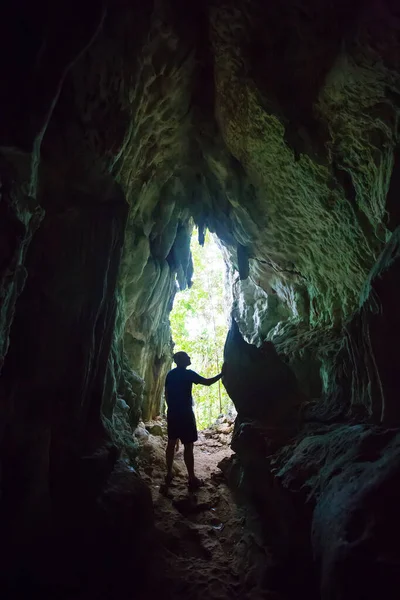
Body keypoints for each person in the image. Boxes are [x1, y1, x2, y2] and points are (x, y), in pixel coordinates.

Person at [164, 351, 224, 490]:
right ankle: (191, 478)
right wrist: (222, 374)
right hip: (185, 413)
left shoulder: (170, 374)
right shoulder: (188, 374)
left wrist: (171, 409)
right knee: (189, 446)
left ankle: (168, 474)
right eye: (187, 357)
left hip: (173, 412)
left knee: (171, 443)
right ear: (182, 360)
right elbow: (208, 382)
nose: (190, 358)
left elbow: (166, 393)